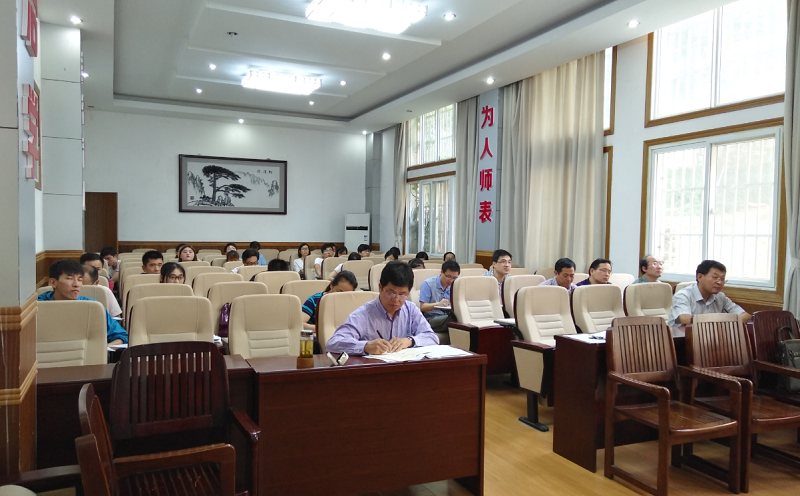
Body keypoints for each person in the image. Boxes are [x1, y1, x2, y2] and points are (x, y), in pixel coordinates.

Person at [326, 261, 439, 355]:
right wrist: (365, 346)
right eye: (391, 293)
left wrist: (410, 341)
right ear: (380, 287)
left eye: (402, 295)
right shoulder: (364, 314)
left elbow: (432, 338)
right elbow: (333, 343)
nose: (396, 300)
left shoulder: (411, 309)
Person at [38, 259, 127, 344]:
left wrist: (104, 349)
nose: (76, 284)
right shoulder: (38, 306)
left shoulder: (92, 307)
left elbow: (121, 335)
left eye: (80, 279)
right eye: (69, 278)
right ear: (53, 282)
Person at [668, 260, 750, 327]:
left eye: (722, 279)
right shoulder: (683, 295)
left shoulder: (720, 297)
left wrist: (725, 326)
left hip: (709, 339)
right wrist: (717, 322)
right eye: (715, 277)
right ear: (700, 277)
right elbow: (684, 318)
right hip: (681, 339)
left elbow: (746, 316)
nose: (719, 282)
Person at [419, 260, 460, 339]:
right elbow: (422, 307)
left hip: (447, 315)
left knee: (461, 317)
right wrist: (438, 304)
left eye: (454, 278)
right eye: (448, 276)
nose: (451, 280)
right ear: (441, 272)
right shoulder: (428, 284)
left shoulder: (455, 285)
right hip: (431, 318)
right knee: (455, 319)